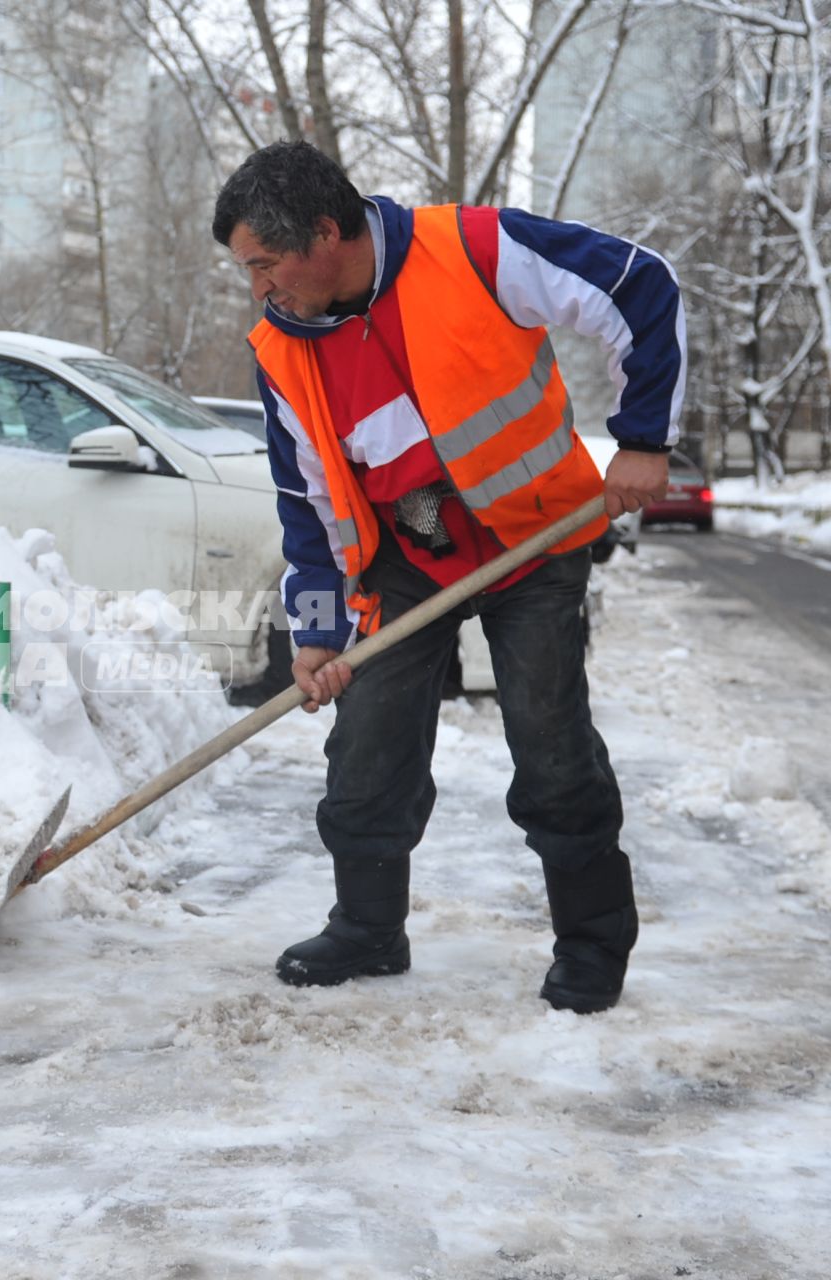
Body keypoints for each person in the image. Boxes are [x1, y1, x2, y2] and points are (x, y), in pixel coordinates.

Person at [210, 141, 682, 1014]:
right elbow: (303, 504)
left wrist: (645, 438)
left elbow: (639, 284)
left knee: (550, 745)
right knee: (366, 745)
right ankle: (367, 928)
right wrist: (314, 632)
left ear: (324, 234)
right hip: (408, 560)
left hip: (535, 542)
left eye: (266, 266)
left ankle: (591, 947)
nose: (260, 290)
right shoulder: (282, 349)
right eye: (250, 272)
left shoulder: (474, 249)